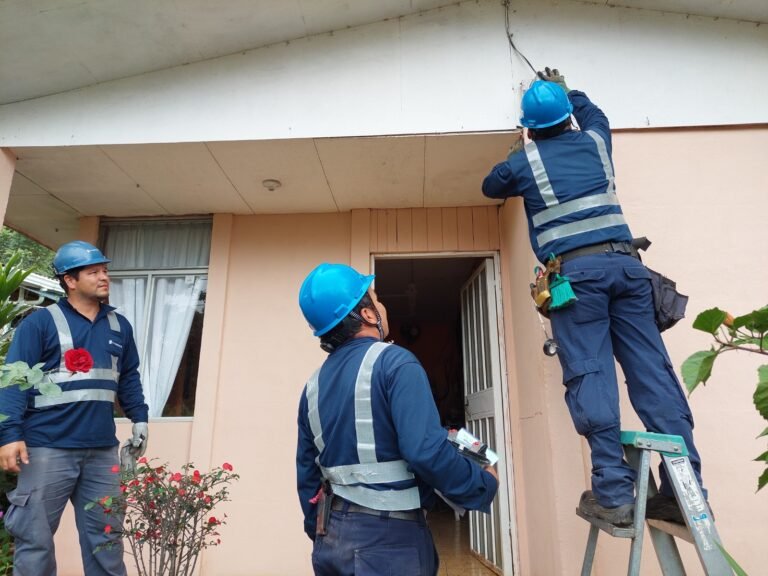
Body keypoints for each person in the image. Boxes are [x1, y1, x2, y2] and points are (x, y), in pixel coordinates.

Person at [482, 69, 706, 526]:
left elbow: (491, 186)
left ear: (529, 126)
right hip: (627, 268)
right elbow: (596, 114)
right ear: (568, 118)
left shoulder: (526, 160)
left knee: (590, 372)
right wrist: (570, 91)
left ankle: (615, 491)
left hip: (577, 278)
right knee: (653, 374)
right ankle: (687, 491)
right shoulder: (597, 142)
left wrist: (515, 154)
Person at [296, 263, 498, 575]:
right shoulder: (395, 361)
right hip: (388, 547)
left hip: (331, 540)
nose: (382, 306)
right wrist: (482, 484)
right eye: (376, 299)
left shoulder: (312, 386)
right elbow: (425, 451)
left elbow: (307, 475)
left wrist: (320, 533)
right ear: (367, 314)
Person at [0, 240, 149, 575]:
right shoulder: (39, 324)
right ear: (69, 280)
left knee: (107, 541)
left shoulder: (119, 327)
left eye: (105, 271)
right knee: (35, 541)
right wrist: (9, 435)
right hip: (46, 449)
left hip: (101, 452)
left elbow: (128, 378)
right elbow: (12, 380)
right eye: (93, 271)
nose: (104, 277)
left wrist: (140, 417)